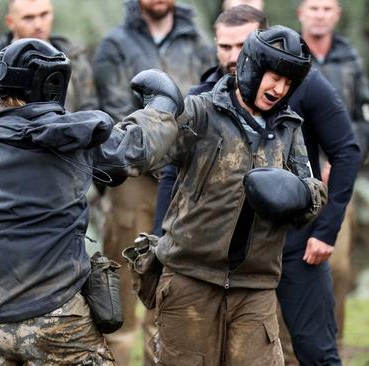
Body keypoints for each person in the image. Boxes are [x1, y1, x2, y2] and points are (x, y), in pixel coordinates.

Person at [0, 38, 184, 365]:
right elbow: (135, 146)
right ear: (55, 84)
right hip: (59, 318)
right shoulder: (75, 140)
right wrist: (162, 106)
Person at [154, 5, 361, 365]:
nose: (233, 57)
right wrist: (160, 240)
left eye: (241, 45)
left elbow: (344, 153)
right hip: (208, 265)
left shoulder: (301, 97)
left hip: (286, 251)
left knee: (314, 350)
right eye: (225, 47)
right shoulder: (202, 103)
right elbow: (165, 168)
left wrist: (320, 223)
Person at [92, 0, 212, 363]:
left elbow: (204, 103)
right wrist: (155, 155)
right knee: (124, 283)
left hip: (183, 178)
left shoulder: (199, 44)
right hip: (132, 180)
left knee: (170, 283)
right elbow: (114, 109)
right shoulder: (115, 45)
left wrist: (175, 157)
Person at [296, 0, 369, 353]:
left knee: (336, 268)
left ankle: (333, 344)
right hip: (293, 180)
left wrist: (340, 161)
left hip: (337, 180)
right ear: (301, 12)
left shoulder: (350, 59)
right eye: (314, 7)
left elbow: (364, 120)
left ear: (337, 14)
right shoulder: (286, 54)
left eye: (327, 8)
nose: (320, 14)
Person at [0, 0, 97, 112]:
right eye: (28, 18)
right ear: (10, 22)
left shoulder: (74, 57)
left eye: (44, 14)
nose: (38, 25)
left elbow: (88, 108)